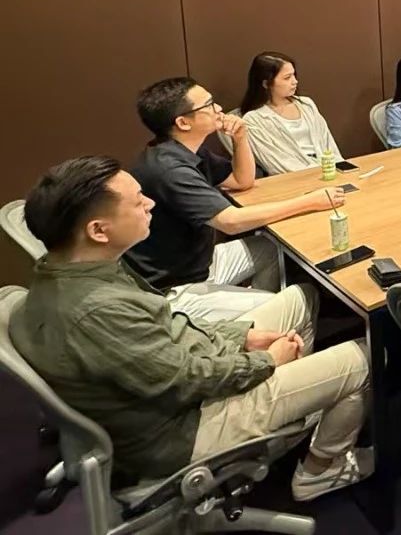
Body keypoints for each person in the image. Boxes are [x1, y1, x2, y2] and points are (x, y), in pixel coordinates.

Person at [11, 157, 371, 500]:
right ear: (98, 230)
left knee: (300, 299)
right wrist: (267, 362)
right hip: (181, 429)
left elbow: (169, 327)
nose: (150, 204)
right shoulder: (98, 311)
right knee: (363, 358)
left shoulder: (73, 270)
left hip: (178, 386)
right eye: (138, 201)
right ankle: (320, 470)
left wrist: (242, 336)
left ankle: (290, 420)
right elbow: (186, 380)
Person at [127, 77, 345, 320]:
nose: (219, 108)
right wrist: (311, 201)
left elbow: (242, 180)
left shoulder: (184, 150)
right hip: (174, 288)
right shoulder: (170, 169)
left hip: (198, 263)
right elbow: (231, 222)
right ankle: (261, 325)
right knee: (303, 300)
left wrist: (240, 138)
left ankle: (260, 320)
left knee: (272, 248)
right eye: (209, 104)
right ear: (183, 122)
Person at [238, 51, 343, 175]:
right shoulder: (254, 119)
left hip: (328, 170)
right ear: (266, 83)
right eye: (287, 78)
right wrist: (316, 172)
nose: (295, 81)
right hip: (296, 177)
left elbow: (328, 143)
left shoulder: (306, 104)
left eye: (294, 75)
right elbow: (275, 162)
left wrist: (339, 167)